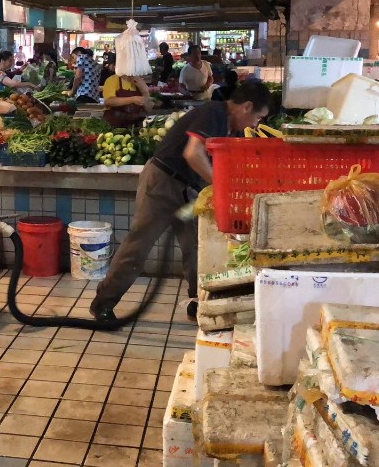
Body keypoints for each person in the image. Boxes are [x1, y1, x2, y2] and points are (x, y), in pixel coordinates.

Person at [90, 82, 272, 322]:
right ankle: (103, 302)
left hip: (189, 190)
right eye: (258, 118)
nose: (255, 125)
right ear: (246, 107)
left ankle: (198, 302)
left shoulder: (233, 130)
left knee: (196, 247)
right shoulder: (214, 113)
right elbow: (192, 153)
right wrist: (221, 186)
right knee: (139, 245)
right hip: (162, 183)